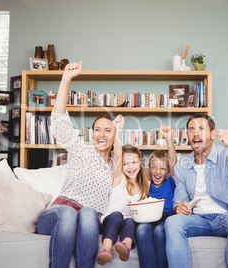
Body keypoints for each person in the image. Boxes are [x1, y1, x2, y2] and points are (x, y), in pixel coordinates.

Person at [36, 61, 116, 268]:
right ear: (92, 133)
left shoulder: (118, 165)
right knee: (71, 213)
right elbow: (60, 123)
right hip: (59, 214)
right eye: (97, 129)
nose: (101, 134)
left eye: (108, 130)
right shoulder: (83, 150)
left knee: (89, 212)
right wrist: (66, 79)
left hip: (89, 221)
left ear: (116, 136)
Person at [165, 113, 228, 268]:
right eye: (191, 129)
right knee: (172, 221)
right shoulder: (182, 166)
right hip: (199, 220)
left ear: (213, 134)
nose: (196, 133)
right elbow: (179, 201)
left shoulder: (227, 156)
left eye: (201, 128)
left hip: (227, 218)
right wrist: (179, 207)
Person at [96, 114, 150, 265]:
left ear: (140, 162)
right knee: (118, 215)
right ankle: (106, 248)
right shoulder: (119, 179)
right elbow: (118, 155)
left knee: (131, 220)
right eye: (125, 164)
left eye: (133, 162)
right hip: (109, 219)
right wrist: (118, 129)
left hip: (128, 223)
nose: (130, 167)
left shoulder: (145, 186)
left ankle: (125, 245)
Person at [136, 125, 177, 268]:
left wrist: (169, 139)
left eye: (163, 168)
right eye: (154, 167)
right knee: (141, 230)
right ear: (149, 169)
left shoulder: (170, 182)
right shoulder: (146, 184)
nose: (158, 171)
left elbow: (173, 162)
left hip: (166, 217)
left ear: (168, 171)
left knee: (160, 232)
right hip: (148, 218)